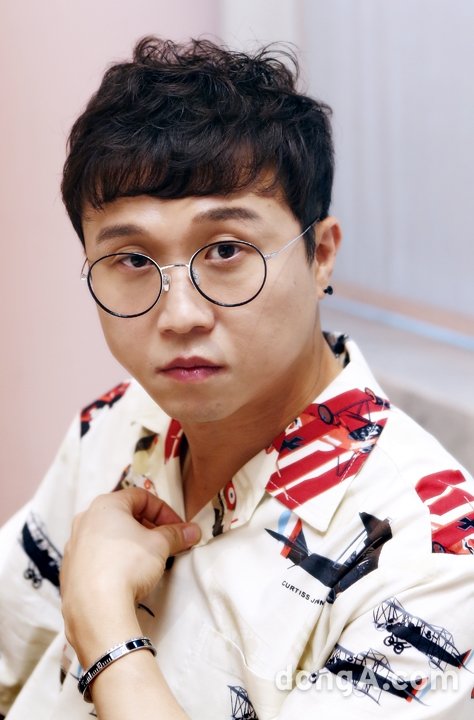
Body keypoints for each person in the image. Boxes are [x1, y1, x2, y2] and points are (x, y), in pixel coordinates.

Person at [0, 36, 473, 720]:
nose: (179, 315)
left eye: (226, 250)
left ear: (320, 255)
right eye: (132, 260)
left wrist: (104, 627)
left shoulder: (436, 555)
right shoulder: (119, 420)